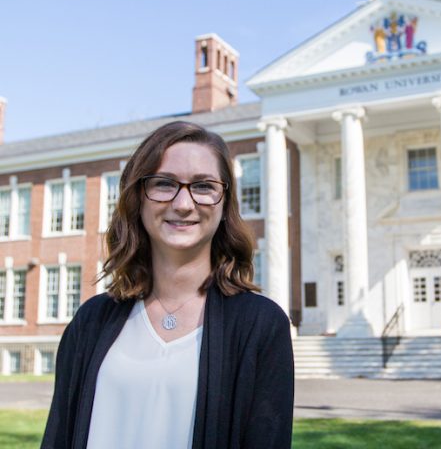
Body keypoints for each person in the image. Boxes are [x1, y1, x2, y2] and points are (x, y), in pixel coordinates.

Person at [41, 121, 294, 449]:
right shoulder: (92, 320)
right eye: (164, 183)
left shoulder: (259, 325)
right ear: (138, 199)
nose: (184, 203)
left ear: (224, 203)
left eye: (203, 186)